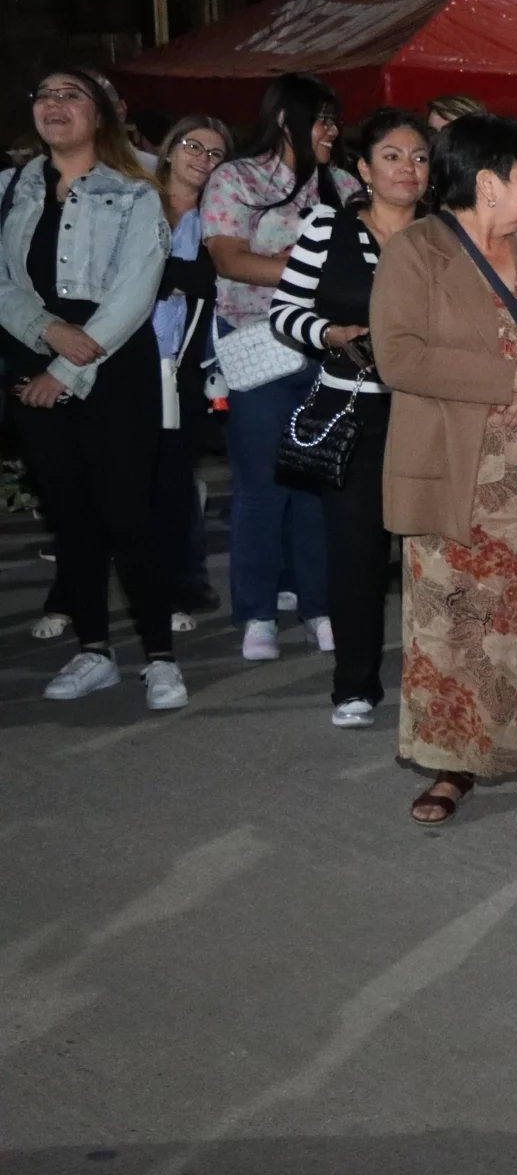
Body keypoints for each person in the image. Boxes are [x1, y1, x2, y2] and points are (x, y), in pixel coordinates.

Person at [367, 112, 517, 827]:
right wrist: (507, 379)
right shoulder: (416, 251)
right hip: (452, 476)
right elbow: (398, 356)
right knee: (451, 627)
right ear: (489, 181)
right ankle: (451, 762)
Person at [0, 70, 179, 709]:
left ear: (100, 115)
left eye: (70, 95)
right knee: (69, 515)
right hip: (36, 353)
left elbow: (136, 290)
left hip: (113, 363)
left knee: (129, 515)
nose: (53, 104)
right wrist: (46, 331)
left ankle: (160, 658)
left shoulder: (136, 190)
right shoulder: (12, 187)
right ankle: (94, 651)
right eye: (44, 95)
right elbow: (1, 282)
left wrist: (68, 366)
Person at [269, 109, 430, 729]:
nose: (407, 168)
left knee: (433, 551)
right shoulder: (326, 227)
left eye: (419, 157)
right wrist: (329, 333)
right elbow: (285, 310)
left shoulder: (444, 236)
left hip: (430, 411)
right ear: (363, 168)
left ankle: (439, 680)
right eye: (392, 156)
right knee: (357, 552)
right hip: (354, 408)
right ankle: (355, 684)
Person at [202, 72, 359, 661]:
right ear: (286, 120)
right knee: (261, 486)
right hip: (259, 346)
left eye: (334, 120)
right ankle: (257, 612)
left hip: (330, 350)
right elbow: (229, 259)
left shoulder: (344, 183)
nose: (332, 130)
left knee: (320, 483)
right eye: (321, 119)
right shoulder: (236, 178)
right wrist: (312, 272)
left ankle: (320, 607)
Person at [150, 114, 231, 630]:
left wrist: (168, 277)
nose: (203, 158)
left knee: (176, 477)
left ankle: (182, 583)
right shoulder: (136, 202)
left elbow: (209, 278)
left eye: (215, 153)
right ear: (169, 148)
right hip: (122, 356)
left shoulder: (217, 216)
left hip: (184, 363)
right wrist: (174, 277)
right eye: (193, 146)